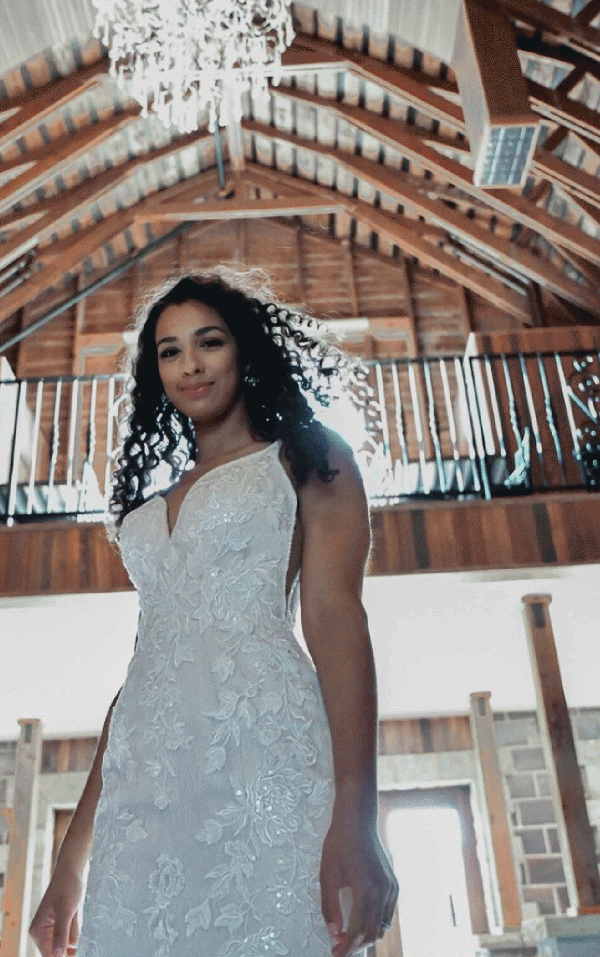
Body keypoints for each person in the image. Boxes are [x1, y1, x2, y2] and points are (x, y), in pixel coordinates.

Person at [30, 268, 398, 957]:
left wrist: (357, 812)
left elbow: (337, 621)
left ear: (244, 349)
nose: (190, 364)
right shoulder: (148, 508)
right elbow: (143, 676)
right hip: (144, 799)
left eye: (209, 342)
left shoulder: (307, 459)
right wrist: (70, 862)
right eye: (169, 351)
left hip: (264, 764)